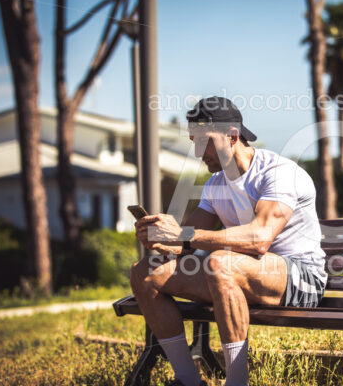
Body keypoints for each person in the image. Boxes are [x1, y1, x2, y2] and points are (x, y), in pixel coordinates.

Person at [131, 96, 327, 386]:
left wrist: (185, 237)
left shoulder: (278, 173)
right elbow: (187, 241)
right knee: (145, 272)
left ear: (232, 136)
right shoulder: (216, 184)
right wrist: (162, 237)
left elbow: (260, 238)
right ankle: (187, 380)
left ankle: (237, 382)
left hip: (301, 278)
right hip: (240, 273)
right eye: (193, 141)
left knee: (220, 262)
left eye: (203, 141)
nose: (198, 153)